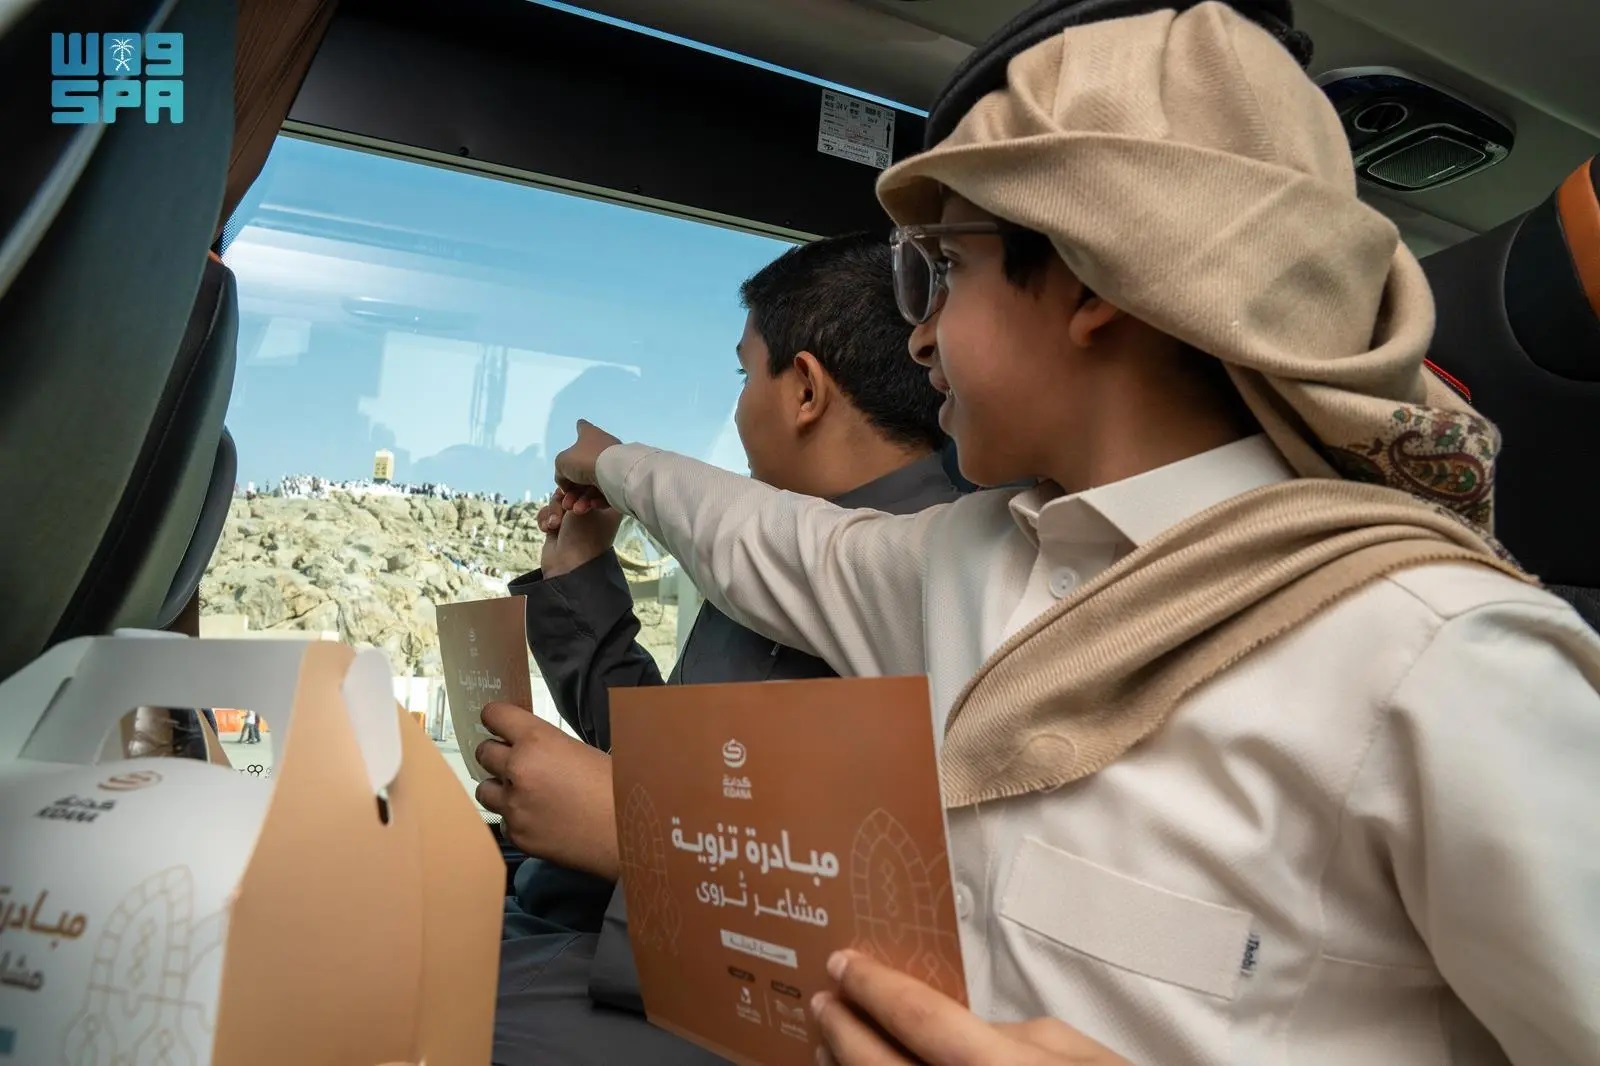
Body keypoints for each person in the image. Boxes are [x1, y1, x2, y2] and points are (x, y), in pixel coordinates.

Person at [547, 4, 1600, 1065]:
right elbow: (757, 538)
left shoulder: (1442, 660)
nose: (919, 336)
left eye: (943, 270)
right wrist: (610, 467)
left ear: (1094, 277)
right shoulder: (964, 565)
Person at [480, 232, 961, 1064]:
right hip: (598, 937)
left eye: (744, 376)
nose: (736, 409)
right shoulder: (769, 560)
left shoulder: (931, 582)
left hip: (705, 998)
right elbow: (674, 762)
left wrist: (628, 834)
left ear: (804, 390)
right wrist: (581, 578)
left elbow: (863, 917)